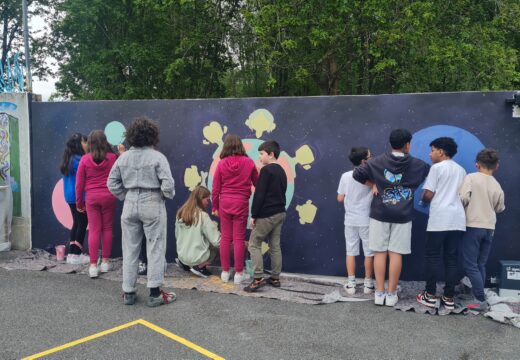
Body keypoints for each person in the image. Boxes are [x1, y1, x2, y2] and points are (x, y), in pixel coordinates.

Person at [353, 129, 430, 306]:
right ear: (408, 144)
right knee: (396, 254)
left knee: (379, 252)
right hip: (403, 215)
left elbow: (357, 174)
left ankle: (379, 293)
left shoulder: (377, 161)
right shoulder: (419, 165)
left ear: (391, 143)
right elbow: (429, 174)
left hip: (379, 213)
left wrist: (374, 184)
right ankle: (391, 293)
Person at [108, 117, 176, 307]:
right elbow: (168, 185)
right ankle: (154, 293)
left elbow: (111, 183)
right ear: (152, 135)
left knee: (129, 249)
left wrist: (126, 195)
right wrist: (162, 196)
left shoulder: (124, 158)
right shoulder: (157, 157)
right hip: (152, 201)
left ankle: (128, 292)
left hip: (130, 202)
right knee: (155, 247)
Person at [416, 137, 466, 310]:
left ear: (441, 152)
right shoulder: (461, 170)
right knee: (451, 259)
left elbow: (428, 194)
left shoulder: (436, 168)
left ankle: (429, 295)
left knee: (432, 256)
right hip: (458, 219)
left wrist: (423, 201)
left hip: (440, 219)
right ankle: (449, 297)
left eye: (432, 150)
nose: (430, 154)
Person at [459, 148, 505, 312]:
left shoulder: (471, 178)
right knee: (480, 264)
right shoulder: (497, 185)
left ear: (477, 164)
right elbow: (500, 208)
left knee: (470, 264)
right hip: (489, 227)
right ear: (496, 166)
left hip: (473, 226)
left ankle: (479, 299)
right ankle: (475, 293)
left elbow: (463, 197)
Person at [212, 134, 258, 284]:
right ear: (240, 146)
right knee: (238, 238)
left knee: (225, 237)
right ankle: (239, 274)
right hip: (241, 203)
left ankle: (225, 272)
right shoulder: (250, 163)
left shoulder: (221, 164)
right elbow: (257, 182)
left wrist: (214, 206)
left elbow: (215, 188)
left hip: (224, 203)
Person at [243, 140, 287, 292]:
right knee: (275, 245)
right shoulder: (281, 171)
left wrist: (254, 215)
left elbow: (259, 195)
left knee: (254, 244)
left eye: (261, 154)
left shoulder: (266, 171)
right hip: (280, 213)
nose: (259, 157)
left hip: (266, 214)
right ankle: (275, 278)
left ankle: (258, 278)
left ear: (271, 154)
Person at [76, 130, 118, 278]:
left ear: (90, 144)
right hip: (109, 197)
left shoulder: (85, 160)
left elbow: (79, 184)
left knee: (94, 230)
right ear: (105, 142)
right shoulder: (113, 158)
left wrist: (79, 203)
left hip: (91, 199)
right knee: (107, 228)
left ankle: (93, 266)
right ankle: (105, 262)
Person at [336, 147, 374, 295]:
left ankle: (351, 284)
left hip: (350, 219)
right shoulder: (371, 177)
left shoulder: (345, 176)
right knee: (369, 253)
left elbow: (340, 198)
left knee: (350, 251)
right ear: (364, 160)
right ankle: (368, 284)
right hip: (366, 219)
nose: (372, 158)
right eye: (370, 156)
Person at [175, 186, 220, 278]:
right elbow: (216, 241)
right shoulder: (203, 216)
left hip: (182, 255)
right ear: (200, 199)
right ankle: (200, 267)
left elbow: (177, 235)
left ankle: (186, 264)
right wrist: (215, 227)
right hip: (197, 258)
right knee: (218, 247)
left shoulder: (180, 213)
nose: (208, 202)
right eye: (207, 200)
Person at [60, 133, 90, 265]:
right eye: (85, 142)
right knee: (82, 223)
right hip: (79, 197)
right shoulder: (78, 160)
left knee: (77, 222)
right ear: (79, 144)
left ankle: (72, 254)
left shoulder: (69, 158)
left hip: (69, 196)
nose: (87, 144)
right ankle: (76, 255)